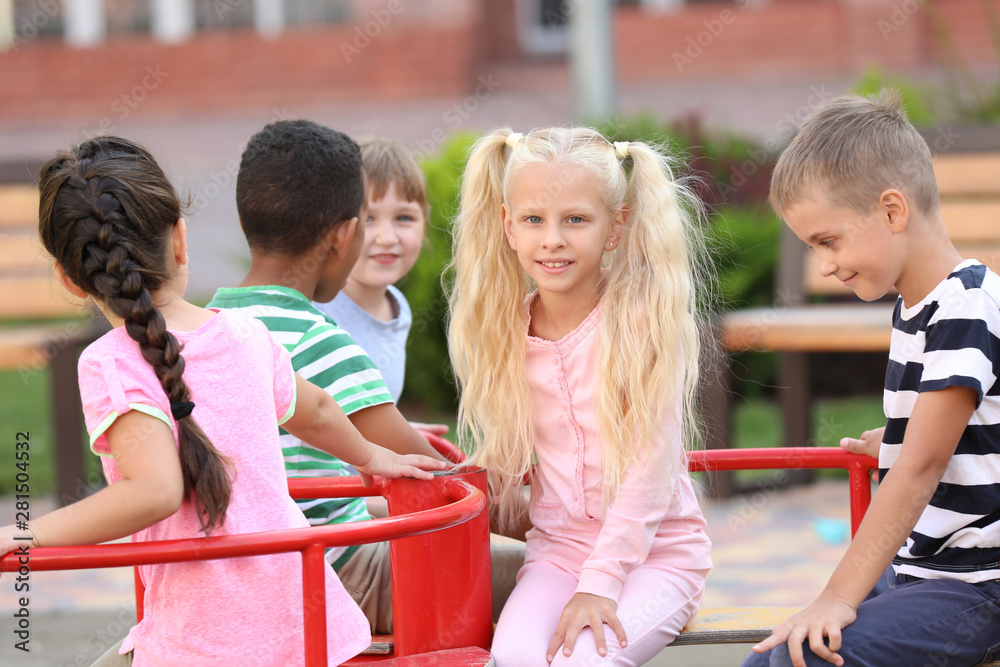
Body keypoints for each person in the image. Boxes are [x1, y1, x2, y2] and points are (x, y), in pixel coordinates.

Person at [0, 135, 446, 666]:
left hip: (208, 639)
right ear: (180, 241)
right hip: (304, 622)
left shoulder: (110, 362)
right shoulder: (246, 333)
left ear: (71, 281)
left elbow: (155, 491)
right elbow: (319, 410)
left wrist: (27, 533)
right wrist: (374, 458)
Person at [743, 90, 1000, 667]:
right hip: (929, 568)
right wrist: (894, 442)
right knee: (782, 650)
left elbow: (924, 468)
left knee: (792, 660)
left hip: (978, 584)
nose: (826, 262)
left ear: (891, 211)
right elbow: (965, 439)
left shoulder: (965, 307)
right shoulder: (921, 307)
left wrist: (835, 597)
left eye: (827, 240)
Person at [447, 127, 714, 666]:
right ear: (507, 225)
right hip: (558, 555)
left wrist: (601, 583)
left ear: (616, 227)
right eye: (533, 220)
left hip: (656, 559)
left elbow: (650, 467)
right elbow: (508, 468)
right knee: (514, 658)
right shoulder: (506, 332)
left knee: (582, 662)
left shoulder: (643, 323)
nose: (552, 239)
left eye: (575, 219)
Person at [205, 120, 469, 634]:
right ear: (347, 234)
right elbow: (433, 475)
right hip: (334, 569)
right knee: (531, 581)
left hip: (250, 570)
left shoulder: (206, 327)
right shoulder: (319, 340)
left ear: (246, 225)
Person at [312, 136, 428, 406]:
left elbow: (368, 411)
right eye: (368, 219)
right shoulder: (317, 313)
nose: (387, 238)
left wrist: (404, 430)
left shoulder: (398, 307)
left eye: (404, 218)